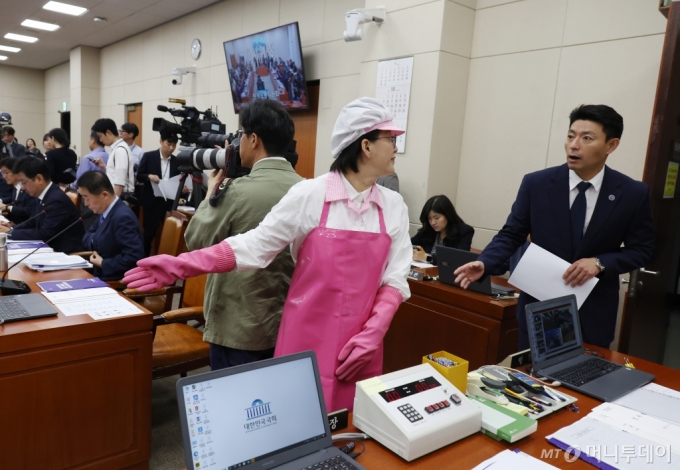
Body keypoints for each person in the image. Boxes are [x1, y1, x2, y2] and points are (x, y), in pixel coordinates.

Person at [123, 97, 412, 412]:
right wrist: (182, 265)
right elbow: (255, 246)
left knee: (352, 431)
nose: (396, 147)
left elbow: (395, 277)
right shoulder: (309, 195)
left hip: (360, 346)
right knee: (295, 423)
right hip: (305, 339)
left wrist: (374, 332)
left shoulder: (393, 206)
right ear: (366, 146)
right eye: (391, 139)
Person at [454, 104, 655, 349]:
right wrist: (485, 262)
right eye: (571, 136)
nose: (574, 144)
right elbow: (511, 234)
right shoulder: (537, 184)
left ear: (611, 145)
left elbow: (642, 249)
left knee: (585, 378)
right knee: (534, 379)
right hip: (539, 305)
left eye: (587, 138)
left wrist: (600, 263)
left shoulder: (632, 193)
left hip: (593, 311)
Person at [184, 100, 303, 370]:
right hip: (287, 325)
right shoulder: (309, 189)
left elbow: (196, 242)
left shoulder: (236, 191)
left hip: (238, 329)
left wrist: (213, 190)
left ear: (253, 139)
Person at [0, 157, 85, 253]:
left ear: (39, 179)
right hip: (48, 249)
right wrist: (11, 228)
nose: (22, 188)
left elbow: (44, 234)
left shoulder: (56, 200)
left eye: (23, 182)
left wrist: (9, 233)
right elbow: (32, 221)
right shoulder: (43, 194)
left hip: (63, 253)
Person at [78, 171, 144, 280]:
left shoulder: (122, 217)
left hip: (115, 281)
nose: (86, 203)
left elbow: (134, 257)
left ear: (104, 195)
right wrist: (97, 240)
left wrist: (103, 263)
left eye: (87, 197)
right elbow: (87, 236)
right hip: (99, 275)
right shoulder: (105, 211)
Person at [136, 132, 179, 256]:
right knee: (149, 234)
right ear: (161, 141)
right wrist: (149, 176)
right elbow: (139, 176)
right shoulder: (149, 156)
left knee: (168, 233)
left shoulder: (176, 161)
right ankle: (143, 260)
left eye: (174, 145)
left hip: (168, 202)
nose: (171, 148)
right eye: (168, 144)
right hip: (152, 201)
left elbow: (178, 180)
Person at [412, 195, 474, 263]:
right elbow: (409, 244)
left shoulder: (465, 231)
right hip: (426, 271)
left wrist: (427, 257)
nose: (433, 222)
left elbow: (459, 259)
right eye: (429, 218)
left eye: (437, 218)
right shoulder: (428, 230)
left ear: (448, 215)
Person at [91, 118, 135, 198]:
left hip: (120, 197)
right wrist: (104, 166)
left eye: (100, 136)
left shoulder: (120, 150)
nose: (100, 140)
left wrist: (112, 204)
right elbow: (115, 174)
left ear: (108, 132)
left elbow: (119, 182)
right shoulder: (116, 148)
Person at [0, 157, 38, 225]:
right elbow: (13, 202)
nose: (4, 176)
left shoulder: (27, 188)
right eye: (2, 173)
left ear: (16, 172)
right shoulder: (15, 187)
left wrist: (7, 208)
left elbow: (29, 211)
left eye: (6, 173)